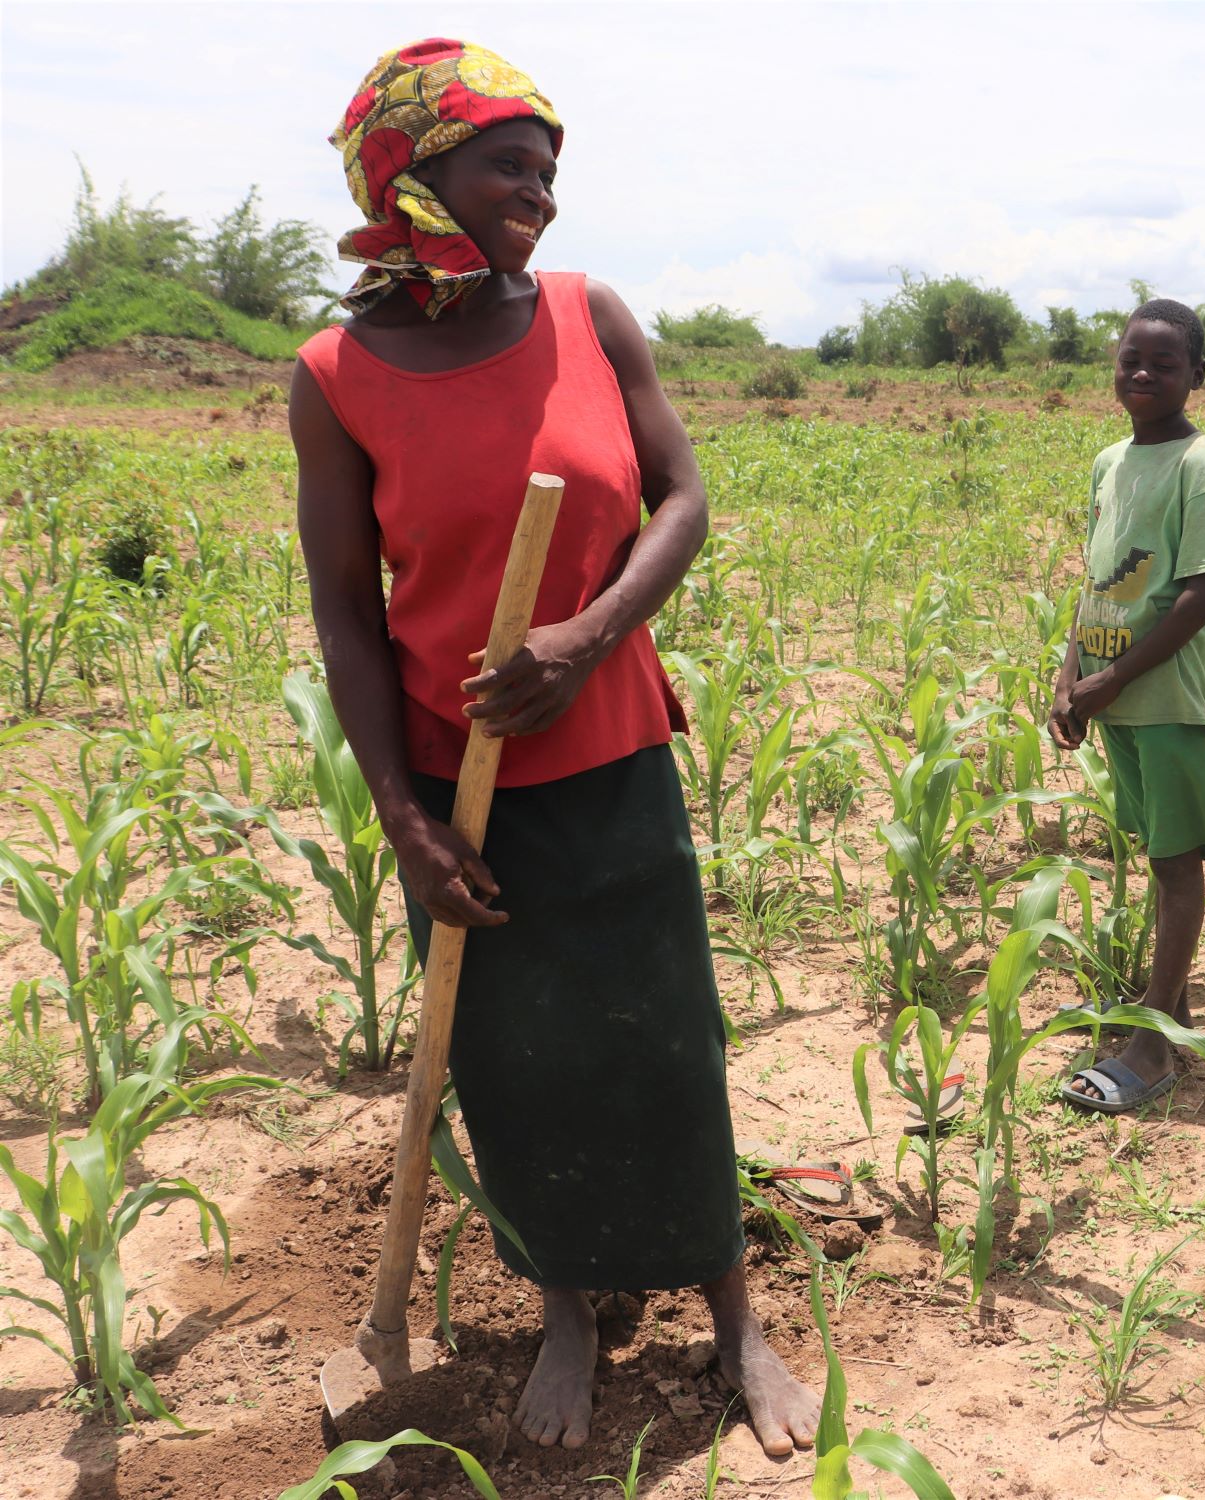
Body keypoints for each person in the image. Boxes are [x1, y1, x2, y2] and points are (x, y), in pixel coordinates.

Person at [289, 39, 818, 1457]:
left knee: (664, 1043)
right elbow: (346, 613)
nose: (542, 194)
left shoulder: (590, 317)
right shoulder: (337, 373)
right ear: (410, 174)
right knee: (513, 1061)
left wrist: (584, 638)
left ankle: (731, 1316)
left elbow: (682, 502)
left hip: (613, 753)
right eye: (510, 164)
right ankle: (569, 1310)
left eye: (550, 169)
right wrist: (402, 817)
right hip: (457, 799)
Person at [1048, 299, 1205, 1114]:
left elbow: (1202, 594)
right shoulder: (1109, 461)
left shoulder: (1198, 465)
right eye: (1131, 358)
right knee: (1154, 848)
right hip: (1117, 696)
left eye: (1164, 365)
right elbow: (1097, 583)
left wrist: (1116, 679)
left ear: (1196, 377)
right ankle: (1169, 1005)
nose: (1142, 374)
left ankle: (1157, 1046)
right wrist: (1072, 679)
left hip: (1163, 698)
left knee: (1175, 868)